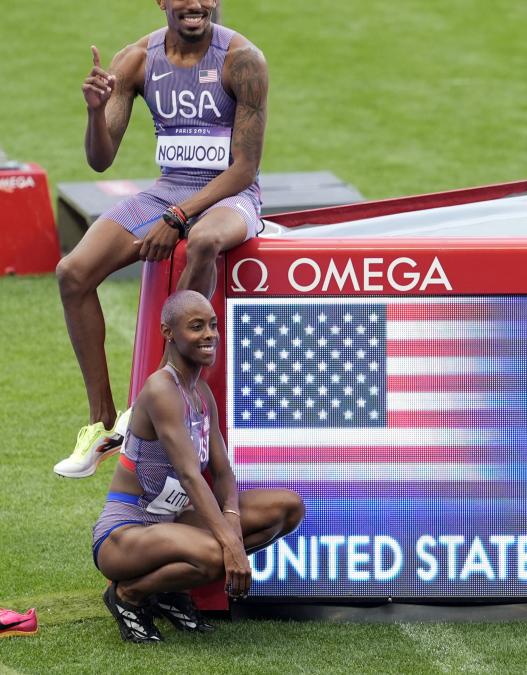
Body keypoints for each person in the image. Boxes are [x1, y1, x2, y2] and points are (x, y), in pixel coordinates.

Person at [55, 0, 267, 479]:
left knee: (203, 243)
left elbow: (244, 169)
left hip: (230, 196)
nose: (195, 4)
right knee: (72, 272)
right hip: (168, 189)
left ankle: (153, 394)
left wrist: (180, 215)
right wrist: (93, 112)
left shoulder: (243, 60)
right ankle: (103, 422)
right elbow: (100, 160)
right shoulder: (135, 59)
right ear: (162, 2)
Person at [92, 290, 303, 643]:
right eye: (196, 326)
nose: (209, 334)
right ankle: (128, 594)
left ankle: (170, 591)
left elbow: (221, 472)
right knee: (214, 556)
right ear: (168, 332)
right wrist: (230, 545)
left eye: (213, 325)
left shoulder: (200, 393)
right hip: (126, 532)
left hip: (172, 522)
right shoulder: (161, 388)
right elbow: (191, 475)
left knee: (286, 508)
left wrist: (232, 520)